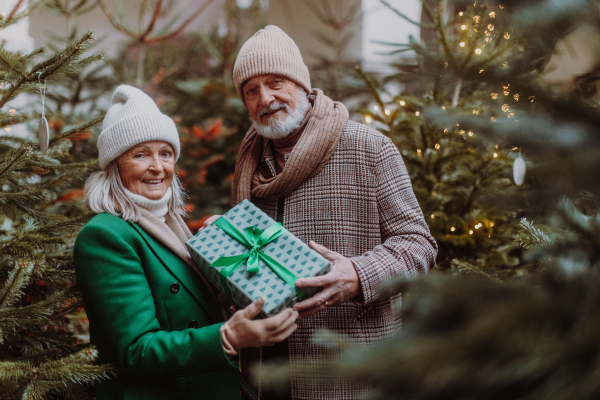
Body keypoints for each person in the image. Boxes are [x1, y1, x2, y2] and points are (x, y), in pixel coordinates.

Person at [203, 25, 438, 399]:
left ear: (300, 83)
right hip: (266, 373)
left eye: (276, 81)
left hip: (347, 369)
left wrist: (359, 275)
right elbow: (254, 263)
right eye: (251, 90)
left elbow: (418, 244)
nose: (266, 98)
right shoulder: (249, 162)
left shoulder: (368, 147)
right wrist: (224, 243)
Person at [74, 85, 299, 400]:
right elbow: (138, 351)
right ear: (115, 165)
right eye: (140, 154)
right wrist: (229, 337)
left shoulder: (172, 225)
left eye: (165, 153)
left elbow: (193, 307)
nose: (157, 167)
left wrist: (234, 281)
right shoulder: (106, 236)